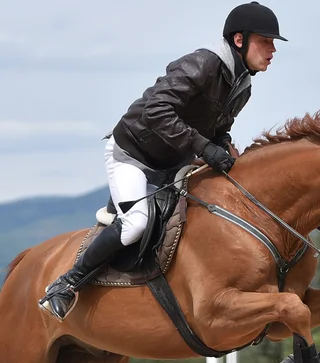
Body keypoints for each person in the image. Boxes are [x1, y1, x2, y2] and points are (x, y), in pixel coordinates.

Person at [38, 1, 287, 321]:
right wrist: (204, 147)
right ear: (240, 40)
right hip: (133, 155)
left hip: (173, 161)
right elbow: (156, 111)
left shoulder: (243, 85)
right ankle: (66, 284)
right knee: (135, 223)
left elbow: (220, 128)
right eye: (266, 41)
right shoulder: (202, 64)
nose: (272, 50)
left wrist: (224, 149)